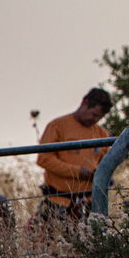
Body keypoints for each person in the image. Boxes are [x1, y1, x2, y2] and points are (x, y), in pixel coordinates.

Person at [36, 88, 112, 220]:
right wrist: (77, 172)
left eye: (99, 117)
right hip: (59, 201)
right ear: (84, 102)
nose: (95, 119)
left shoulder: (102, 133)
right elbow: (44, 159)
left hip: (90, 203)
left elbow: (104, 163)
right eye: (94, 114)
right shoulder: (57, 126)